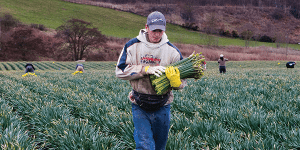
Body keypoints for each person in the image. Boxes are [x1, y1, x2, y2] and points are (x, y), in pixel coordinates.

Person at [115, 11, 186, 150]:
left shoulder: (173, 51)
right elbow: (120, 71)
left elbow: (182, 79)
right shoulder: (132, 46)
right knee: (145, 146)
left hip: (163, 104)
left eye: (160, 31)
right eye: (154, 30)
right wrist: (145, 69)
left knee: (159, 147)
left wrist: (177, 83)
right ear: (146, 27)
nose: (157, 34)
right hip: (139, 103)